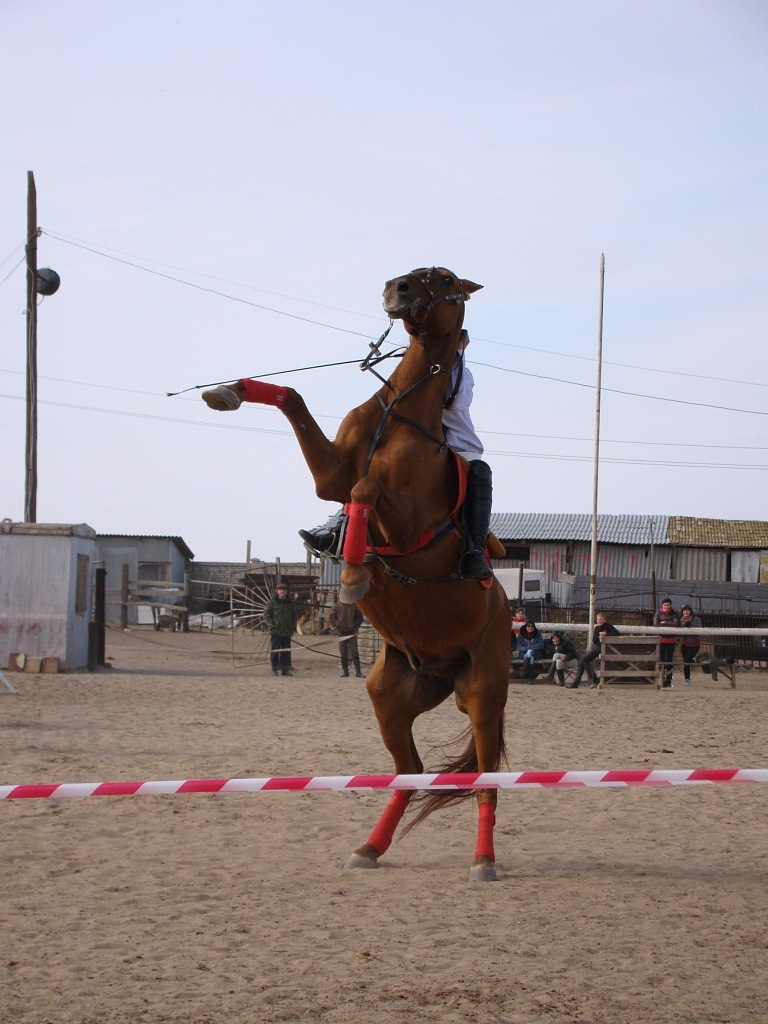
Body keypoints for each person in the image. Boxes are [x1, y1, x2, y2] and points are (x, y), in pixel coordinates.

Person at [298, 331, 494, 581]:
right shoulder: (409, 368)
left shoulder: (462, 373)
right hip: (409, 445)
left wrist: (449, 362)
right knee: (370, 461)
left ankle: (474, 551)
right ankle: (339, 528)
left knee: (480, 471)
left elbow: (452, 404)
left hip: (457, 448)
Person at [567, 612, 620, 689]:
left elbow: (616, 633)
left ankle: (592, 680)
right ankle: (579, 682)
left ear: (605, 620)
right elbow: (594, 641)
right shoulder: (597, 628)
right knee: (583, 661)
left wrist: (605, 634)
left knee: (583, 660)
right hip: (598, 646)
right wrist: (598, 636)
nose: (599, 621)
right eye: (598, 619)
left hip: (606, 647)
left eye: (601, 619)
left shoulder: (608, 626)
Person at [263, 583, 297, 677]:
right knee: (275, 650)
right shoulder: (272, 602)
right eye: (280, 590)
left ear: (286, 591)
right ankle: (274, 668)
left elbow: (294, 616)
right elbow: (266, 614)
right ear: (277, 591)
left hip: (286, 632)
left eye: (283, 590)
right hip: (276, 631)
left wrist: (292, 627)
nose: (282, 591)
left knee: (286, 651)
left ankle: (285, 669)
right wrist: (271, 625)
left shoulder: (290, 603)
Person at [329, 598, 364, 678]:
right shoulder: (337, 605)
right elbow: (331, 616)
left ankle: (358, 672)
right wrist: (337, 624)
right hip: (341, 633)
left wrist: (355, 626)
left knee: (354, 651)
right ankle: (345, 672)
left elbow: (360, 618)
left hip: (352, 632)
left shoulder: (354, 605)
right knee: (343, 652)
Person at [654, 597, 680, 688]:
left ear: (670, 606)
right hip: (661, 640)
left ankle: (668, 680)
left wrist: (664, 622)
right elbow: (655, 624)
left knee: (669, 660)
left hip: (671, 640)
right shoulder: (658, 612)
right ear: (662, 605)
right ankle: (661, 679)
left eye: (668, 605)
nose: (666, 606)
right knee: (661, 660)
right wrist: (669, 622)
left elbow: (677, 624)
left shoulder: (674, 613)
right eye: (665, 605)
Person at [679, 604, 702, 687]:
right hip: (684, 643)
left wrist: (690, 626)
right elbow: (679, 629)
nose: (686, 612)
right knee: (686, 662)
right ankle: (687, 679)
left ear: (690, 611)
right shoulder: (680, 619)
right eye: (684, 610)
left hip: (695, 643)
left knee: (687, 659)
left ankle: (695, 660)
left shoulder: (696, 619)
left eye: (687, 610)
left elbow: (699, 628)